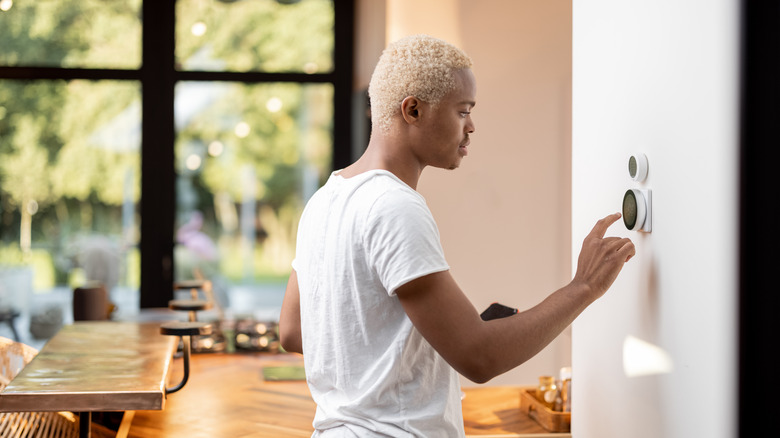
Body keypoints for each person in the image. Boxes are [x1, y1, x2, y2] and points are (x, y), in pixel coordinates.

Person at [279, 34, 635, 437]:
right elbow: (479, 357)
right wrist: (583, 287)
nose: (471, 126)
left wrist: (426, 336)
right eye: (463, 111)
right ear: (412, 110)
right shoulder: (394, 207)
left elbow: (293, 332)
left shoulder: (325, 200)